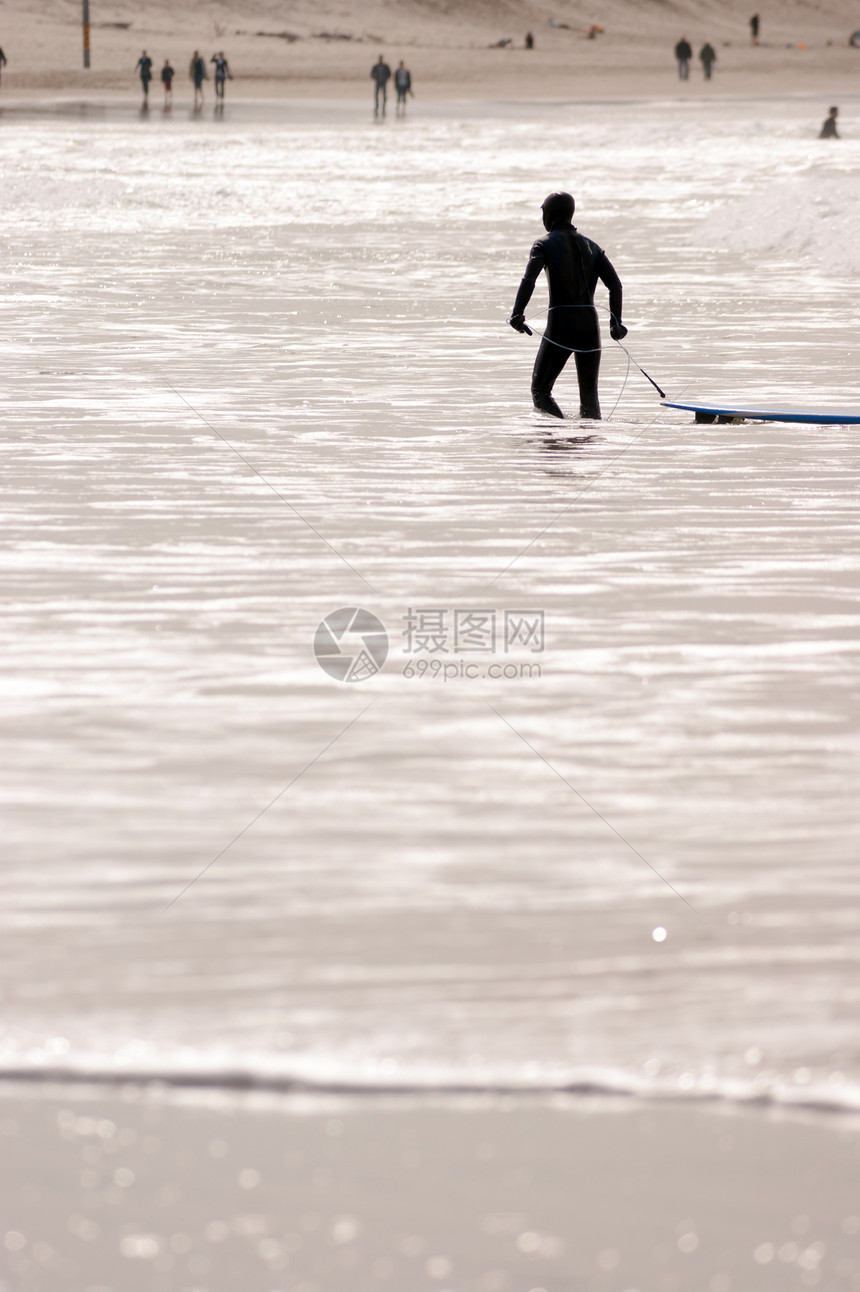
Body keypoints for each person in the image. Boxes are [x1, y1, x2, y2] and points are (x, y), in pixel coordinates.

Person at [509, 191, 626, 421]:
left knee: (541, 390)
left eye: (543, 212)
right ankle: (589, 442)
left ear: (550, 214)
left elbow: (528, 280)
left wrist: (517, 313)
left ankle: (556, 437)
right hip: (590, 328)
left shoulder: (543, 244)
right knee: (590, 394)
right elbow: (616, 286)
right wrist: (616, 324)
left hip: (561, 327)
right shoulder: (592, 246)